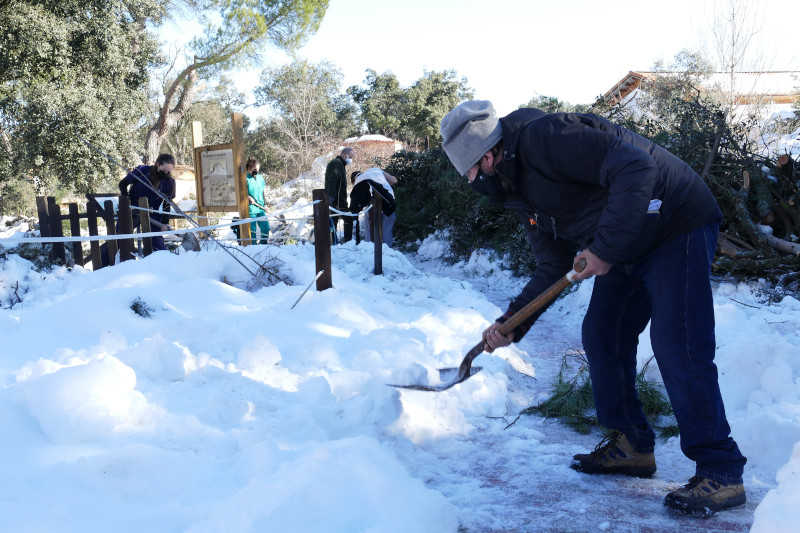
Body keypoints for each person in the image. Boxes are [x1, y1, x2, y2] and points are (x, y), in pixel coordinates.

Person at [439, 100, 747, 516]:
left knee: (677, 342)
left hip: (674, 221)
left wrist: (603, 248)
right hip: (628, 240)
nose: (473, 182)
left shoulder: (548, 138)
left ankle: (721, 469)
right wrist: (512, 322)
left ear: (488, 154)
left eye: (473, 172)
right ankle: (632, 444)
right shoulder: (517, 190)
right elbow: (551, 266)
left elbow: (637, 168)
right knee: (603, 332)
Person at [118, 153, 177, 253]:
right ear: (158, 164)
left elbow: (167, 203)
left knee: (156, 241)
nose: (166, 173)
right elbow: (122, 184)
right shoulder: (142, 171)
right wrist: (127, 203)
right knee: (119, 238)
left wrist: (165, 222)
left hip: (152, 213)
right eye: (164, 170)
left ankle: (164, 263)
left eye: (168, 171)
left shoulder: (170, 182)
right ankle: (106, 265)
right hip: (132, 210)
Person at [344, 168, 397, 245]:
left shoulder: (358, 181)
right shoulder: (375, 170)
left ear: (354, 179)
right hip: (389, 204)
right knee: (387, 230)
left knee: (368, 228)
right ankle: (387, 251)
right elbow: (394, 181)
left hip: (372, 208)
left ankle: (369, 248)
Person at [325, 147, 354, 243]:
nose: (351, 159)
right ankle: (347, 242)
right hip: (337, 198)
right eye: (350, 157)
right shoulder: (337, 163)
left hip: (338, 197)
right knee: (348, 219)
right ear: (344, 154)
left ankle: (332, 241)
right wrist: (331, 198)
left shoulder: (340, 164)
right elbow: (332, 181)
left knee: (334, 220)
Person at [245, 156, 270, 245]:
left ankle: (263, 244)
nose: (256, 171)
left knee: (266, 228)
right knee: (252, 231)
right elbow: (241, 192)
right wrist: (248, 197)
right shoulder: (245, 179)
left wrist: (265, 204)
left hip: (261, 207)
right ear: (249, 168)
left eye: (258, 169)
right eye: (255, 169)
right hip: (251, 208)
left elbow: (262, 192)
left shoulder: (260, 178)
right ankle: (254, 248)